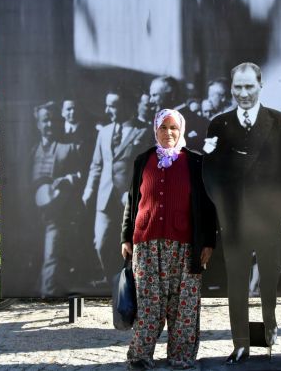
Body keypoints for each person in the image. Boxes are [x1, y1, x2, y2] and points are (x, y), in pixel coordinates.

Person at [202, 62, 281, 364]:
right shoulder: (219, 124)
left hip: (272, 219)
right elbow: (210, 173)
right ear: (232, 89)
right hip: (235, 221)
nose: (244, 93)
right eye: (238, 88)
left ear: (260, 86)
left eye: (249, 87)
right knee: (237, 282)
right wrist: (223, 208)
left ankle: (268, 332)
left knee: (269, 280)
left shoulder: (280, 122)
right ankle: (241, 343)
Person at [121, 109, 218, 370]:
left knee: (183, 305)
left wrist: (208, 241)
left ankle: (181, 356)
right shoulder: (143, 160)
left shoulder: (194, 163)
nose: (168, 133)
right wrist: (125, 237)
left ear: (181, 130)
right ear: (155, 130)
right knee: (149, 304)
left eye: (173, 128)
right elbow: (132, 200)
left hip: (186, 245)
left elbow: (207, 206)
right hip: (147, 245)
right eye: (163, 128)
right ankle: (140, 356)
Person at [83, 91, 148, 283]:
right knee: (101, 243)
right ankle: (111, 279)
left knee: (132, 243)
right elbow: (97, 164)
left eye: (112, 106)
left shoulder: (142, 131)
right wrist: (88, 189)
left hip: (130, 197)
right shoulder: (104, 132)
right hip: (105, 197)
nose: (107, 110)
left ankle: (130, 280)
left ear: (126, 106)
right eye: (107, 105)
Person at [31, 102, 83, 296]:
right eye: (45, 121)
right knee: (35, 256)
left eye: (52, 120)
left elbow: (82, 174)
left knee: (51, 255)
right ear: (38, 124)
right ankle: (39, 290)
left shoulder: (68, 148)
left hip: (57, 213)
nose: (49, 125)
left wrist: (67, 179)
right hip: (32, 214)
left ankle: (48, 293)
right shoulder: (31, 150)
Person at [148, 76, 210, 152]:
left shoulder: (198, 123)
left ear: (172, 94)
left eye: (155, 95)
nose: (151, 100)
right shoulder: (156, 122)